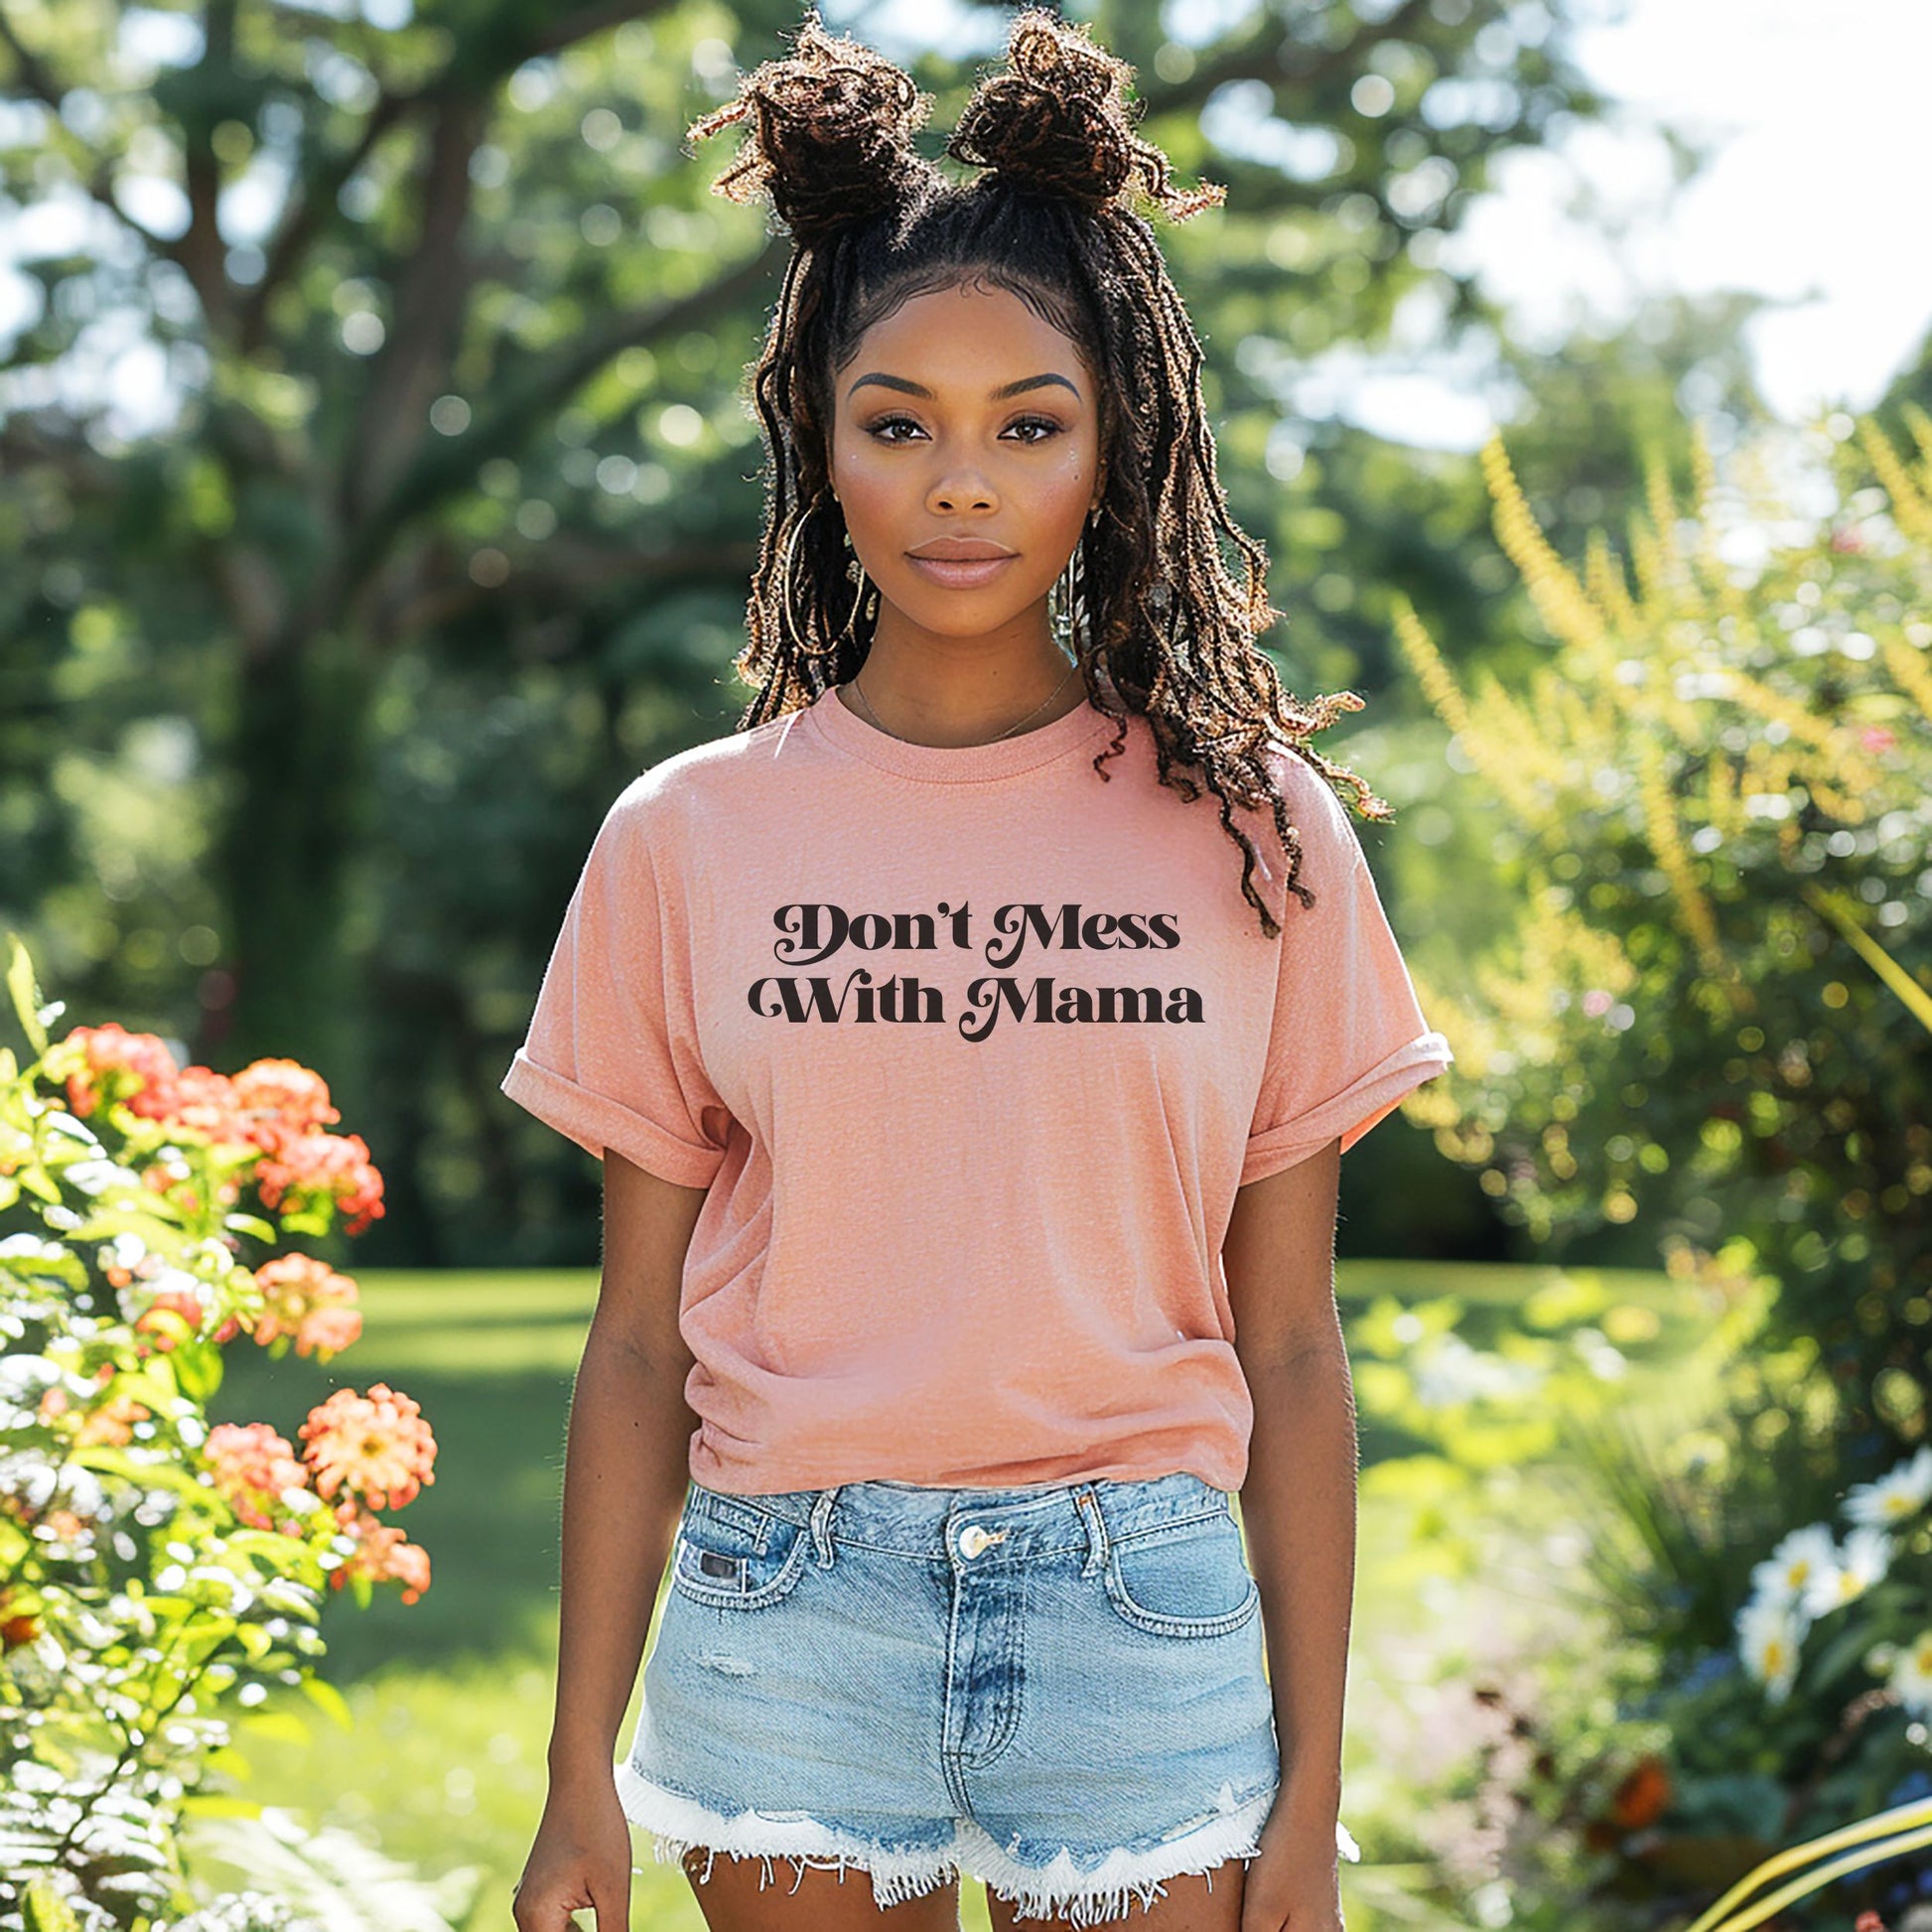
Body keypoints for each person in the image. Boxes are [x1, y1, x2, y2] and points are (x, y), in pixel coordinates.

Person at [503, 11, 1452, 1932]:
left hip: (1148, 1612)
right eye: (899, 422)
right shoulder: (686, 835)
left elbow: (1287, 1343)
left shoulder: (1254, 829)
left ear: (1112, 446)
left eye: (1028, 423)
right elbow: (630, 1342)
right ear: (819, 439)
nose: (961, 482)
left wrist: (1311, 1794)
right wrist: (573, 1783)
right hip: (788, 1604)